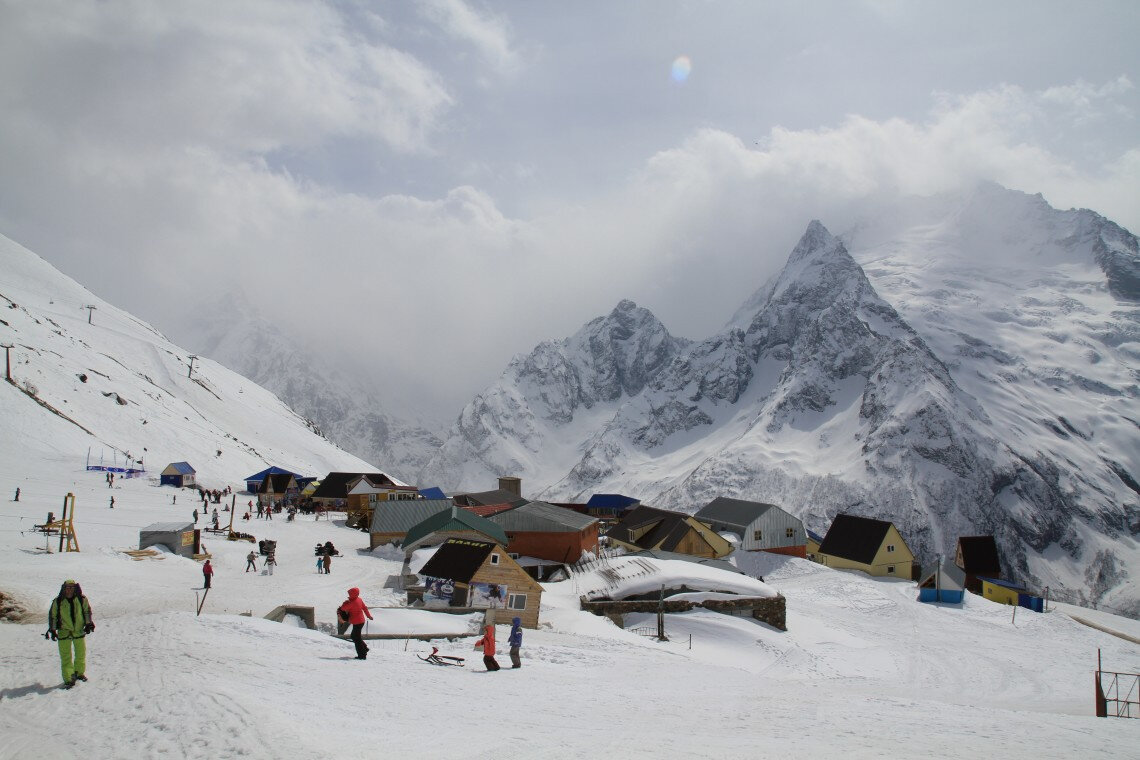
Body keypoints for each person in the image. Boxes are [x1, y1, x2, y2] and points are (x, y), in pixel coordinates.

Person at [47, 579, 94, 689]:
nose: (69, 590)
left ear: (75, 588)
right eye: (67, 587)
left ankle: (79, 673)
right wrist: (53, 630)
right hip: (64, 632)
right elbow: (53, 615)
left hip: (78, 631)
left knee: (80, 654)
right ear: (63, 588)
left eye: (71, 587)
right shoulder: (58, 601)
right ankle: (68, 678)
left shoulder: (82, 599)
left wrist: (88, 624)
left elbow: (87, 611)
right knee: (66, 657)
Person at [337, 587, 373, 660]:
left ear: (352, 594)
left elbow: (342, 609)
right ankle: (365, 649)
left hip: (357, 622)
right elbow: (365, 608)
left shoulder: (352, 603)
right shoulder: (359, 599)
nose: (349, 595)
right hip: (361, 621)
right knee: (355, 636)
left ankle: (362, 655)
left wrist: (345, 603)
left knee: (356, 638)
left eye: (349, 594)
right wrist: (369, 616)